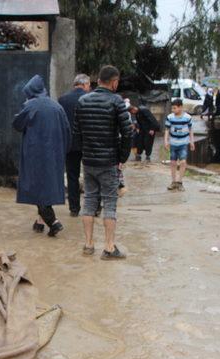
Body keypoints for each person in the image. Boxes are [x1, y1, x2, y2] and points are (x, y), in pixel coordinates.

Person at [73, 65, 133, 260]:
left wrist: (86, 153)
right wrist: (121, 158)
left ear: (98, 81)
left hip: (88, 161)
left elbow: (77, 133)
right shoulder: (116, 102)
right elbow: (127, 132)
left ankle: (88, 245)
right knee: (110, 203)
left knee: (89, 200)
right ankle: (108, 247)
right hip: (108, 162)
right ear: (114, 82)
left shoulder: (82, 101)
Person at [13, 75, 70, 237]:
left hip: (35, 155)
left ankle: (53, 222)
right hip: (54, 154)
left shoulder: (31, 106)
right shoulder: (57, 106)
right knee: (47, 186)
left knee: (36, 186)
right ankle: (40, 222)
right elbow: (67, 131)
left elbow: (17, 124)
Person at [59, 74, 91, 217]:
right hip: (89, 144)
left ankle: (74, 208)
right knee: (91, 175)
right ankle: (93, 208)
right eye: (89, 85)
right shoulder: (90, 99)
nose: (89, 88)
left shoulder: (62, 100)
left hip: (70, 144)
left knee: (72, 176)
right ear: (84, 85)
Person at [164, 98, 195, 191]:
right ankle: (173, 182)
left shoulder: (188, 118)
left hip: (183, 143)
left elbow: (190, 130)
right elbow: (167, 130)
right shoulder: (170, 117)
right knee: (173, 163)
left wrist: (192, 142)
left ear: (180, 107)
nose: (173, 110)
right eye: (172, 108)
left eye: (174, 108)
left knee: (183, 162)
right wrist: (166, 141)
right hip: (173, 143)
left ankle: (180, 182)